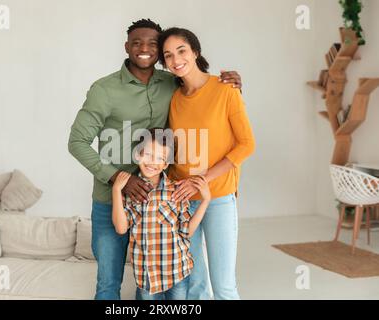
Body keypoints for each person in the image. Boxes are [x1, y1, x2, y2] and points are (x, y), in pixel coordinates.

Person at [68, 18, 242, 300]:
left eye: (153, 44)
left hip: (161, 199)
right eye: (136, 42)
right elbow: (76, 142)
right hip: (111, 199)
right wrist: (117, 180)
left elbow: (202, 92)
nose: (144, 49)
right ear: (126, 47)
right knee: (108, 283)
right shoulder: (104, 89)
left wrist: (232, 85)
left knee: (163, 280)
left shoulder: (171, 82)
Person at [158, 27, 256, 300]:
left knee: (223, 285)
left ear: (195, 52)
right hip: (181, 199)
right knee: (195, 285)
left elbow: (246, 144)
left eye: (181, 51)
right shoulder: (174, 99)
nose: (176, 60)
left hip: (218, 197)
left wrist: (201, 182)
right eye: (168, 55)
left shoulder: (225, 89)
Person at [112, 128, 210, 300]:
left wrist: (205, 200)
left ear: (166, 164)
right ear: (137, 155)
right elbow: (121, 229)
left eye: (160, 158)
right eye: (148, 155)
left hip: (177, 273)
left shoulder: (175, 191)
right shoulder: (131, 193)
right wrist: (116, 189)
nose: (153, 162)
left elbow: (186, 231)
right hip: (146, 276)